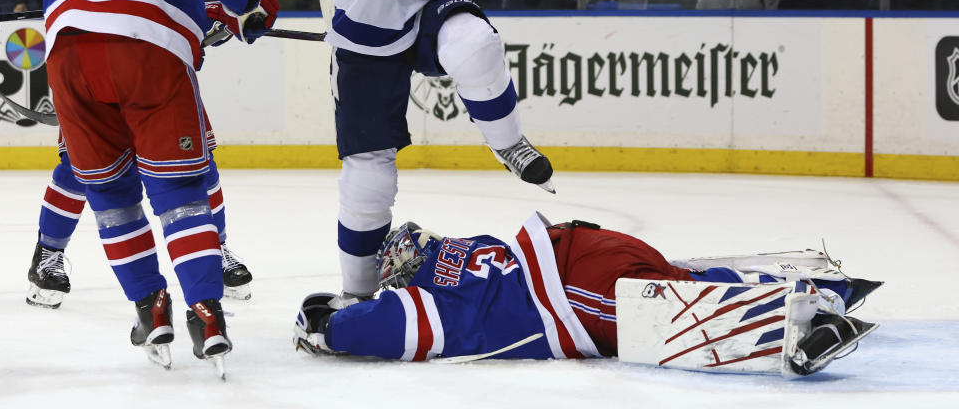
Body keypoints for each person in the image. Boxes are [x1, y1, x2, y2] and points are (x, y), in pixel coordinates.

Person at [325, 0, 623, 299]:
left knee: (476, 42)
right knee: (371, 173)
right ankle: (357, 294)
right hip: (368, 23)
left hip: (427, 10)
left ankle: (508, 143)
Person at [41, 0, 278, 372]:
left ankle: (150, 308)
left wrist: (203, 14)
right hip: (143, 52)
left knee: (110, 195)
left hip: (66, 49)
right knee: (178, 191)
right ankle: (205, 312)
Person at [293, 212, 881, 376]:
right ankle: (820, 288)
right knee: (682, 279)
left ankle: (806, 318)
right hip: (588, 243)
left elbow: (385, 327)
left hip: (576, 294)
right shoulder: (471, 246)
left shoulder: (434, 299)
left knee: (687, 312)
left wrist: (327, 325)